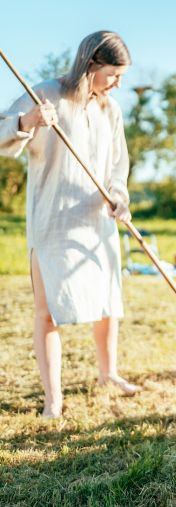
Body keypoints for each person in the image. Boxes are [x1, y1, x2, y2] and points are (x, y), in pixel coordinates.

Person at [0, 31, 137, 418]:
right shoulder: (47, 92)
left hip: (97, 221)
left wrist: (119, 197)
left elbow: (117, 166)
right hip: (54, 222)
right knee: (48, 312)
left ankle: (108, 373)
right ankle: (53, 398)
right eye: (113, 74)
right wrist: (28, 120)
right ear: (91, 64)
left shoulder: (111, 110)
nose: (117, 84)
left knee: (109, 301)